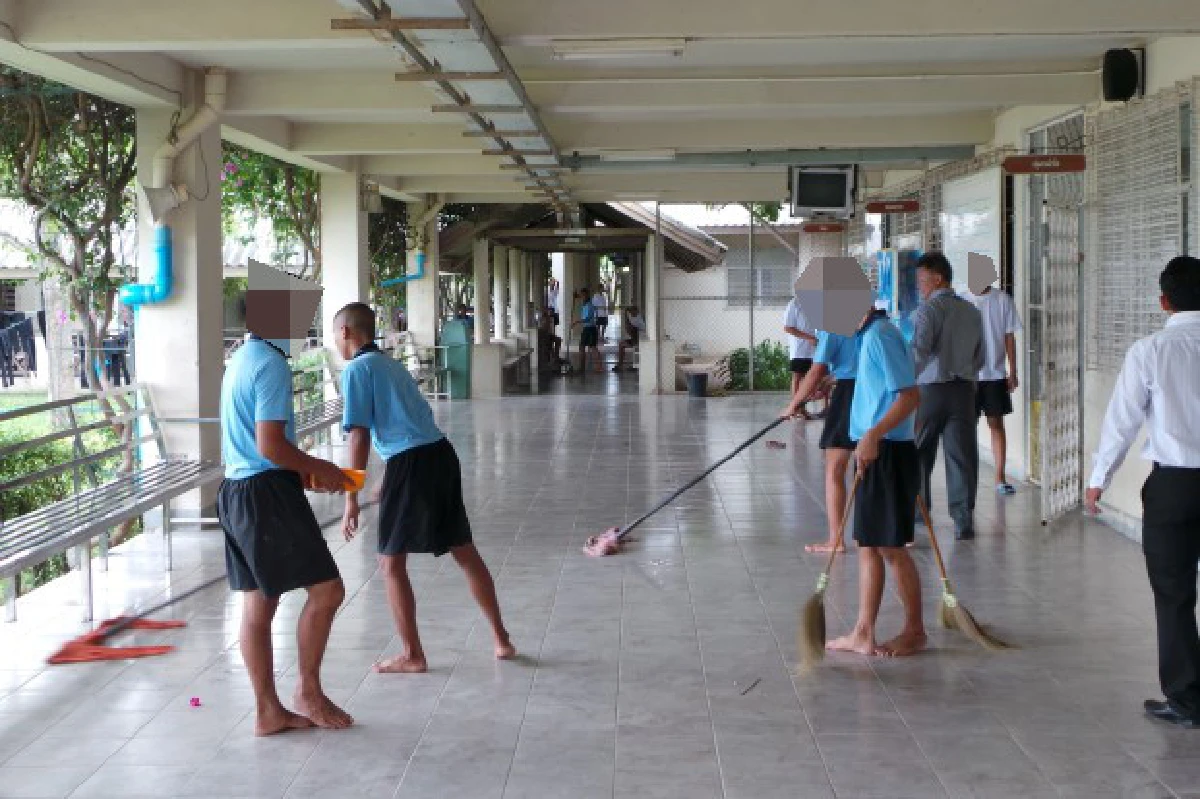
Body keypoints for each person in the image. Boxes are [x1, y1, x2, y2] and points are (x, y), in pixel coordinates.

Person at [334, 303, 515, 672]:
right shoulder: (390, 365)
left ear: (346, 333)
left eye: (335, 335)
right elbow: (411, 424)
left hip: (412, 464)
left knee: (390, 563)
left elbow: (358, 437)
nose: (336, 343)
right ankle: (502, 639)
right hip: (439, 454)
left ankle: (412, 655)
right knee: (464, 551)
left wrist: (351, 496)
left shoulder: (356, 369)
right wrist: (389, 476)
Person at [218, 335, 354, 736]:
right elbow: (270, 446)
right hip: (265, 495)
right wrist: (320, 467)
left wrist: (301, 475)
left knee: (258, 605)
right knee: (327, 591)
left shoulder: (242, 357)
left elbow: (254, 445)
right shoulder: (271, 363)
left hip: (236, 490)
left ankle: (268, 712)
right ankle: (307, 693)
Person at [1086, 256, 1200, 729]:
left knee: (1174, 593)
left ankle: (1187, 700)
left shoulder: (1150, 350)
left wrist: (1099, 479)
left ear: (1163, 302)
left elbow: (1122, 422)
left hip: (1174, 486)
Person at [826, 306, 925, 657]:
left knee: (891, 547)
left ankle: (914, 631)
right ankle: (863, 633)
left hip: (888, 452)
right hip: (876, 449)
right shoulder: (868, 336)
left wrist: (874, 434)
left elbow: (910, 396)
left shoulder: (880, 336)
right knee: (869, 544)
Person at [781, 305, 888, 553]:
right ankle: (878, 534)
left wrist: (793, 405)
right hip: (874, 394)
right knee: (871, 466)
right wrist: (829, 382)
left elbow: (816, 370)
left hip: (848, 396)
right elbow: (850, 367)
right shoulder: (875, 325)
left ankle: (836, 539)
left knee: (835, 468)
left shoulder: (834, 324)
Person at [911, 252, 984, 540]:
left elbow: (919, 353)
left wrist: (903, 384)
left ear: (938, 278)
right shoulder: (972, 312)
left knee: (918, 451)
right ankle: (963, 521)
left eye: (922, 280)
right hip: (964, 392)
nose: (919, 286)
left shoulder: (927, 311)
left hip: (930, 392)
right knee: (962, 457)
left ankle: (919, 511)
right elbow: (980, 356)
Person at [968, 283, 1022, 495]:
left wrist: (1013, 371)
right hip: (968, 376)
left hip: (995, 374)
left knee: (996, 424)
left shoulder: (1002, 300)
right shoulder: (962, 298)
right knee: (966, 428)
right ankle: (968, 477)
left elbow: (1009, 337)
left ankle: (1000, 477)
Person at [783, 296, 820, 414]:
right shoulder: (795, 303)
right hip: (800, 350)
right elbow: (788, 327)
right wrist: (809, 338)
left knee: (811, 378)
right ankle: (797, 409)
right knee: (798, 377)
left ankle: (804, 409)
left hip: (815, 349)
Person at [572, 287, 602, 374]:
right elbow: (580, 296)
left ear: (587, 295)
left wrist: (576, 322)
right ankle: (582, 367)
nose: (582, 297)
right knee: (582, 347)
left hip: (590, 328)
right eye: (581, 295)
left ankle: (598, 367)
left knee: (592, 347)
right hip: (587, 328)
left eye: (583, 295)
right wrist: (575, 295)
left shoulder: (589, 305)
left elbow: (588, 318)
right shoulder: (585, 304)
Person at [614, 305, 646, 372]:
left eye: (632, 312)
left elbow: (629, 328)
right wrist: (626, 313)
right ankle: (620, 365)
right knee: (621, 344)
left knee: (624, 344)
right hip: (635, 339)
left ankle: (633, 366)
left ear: (636, 311)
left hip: (640, 340)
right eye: (630, 312)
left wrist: (626, 314)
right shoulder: (633, 317)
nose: (631, 314)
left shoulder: (638, 319)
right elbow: (628, 328)